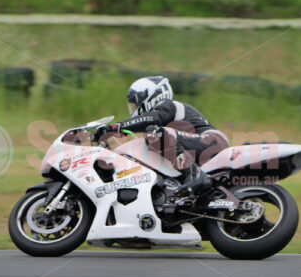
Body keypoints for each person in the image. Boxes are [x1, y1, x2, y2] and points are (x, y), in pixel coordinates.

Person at [93, 76, 229, 195]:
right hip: (199, 145)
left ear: (152, 98)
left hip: (212, 141)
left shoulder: (169, 105)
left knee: (154, 133)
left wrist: (116, 127)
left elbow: (152, 118)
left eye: (136, 104)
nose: (134, 109)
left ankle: (195, 174)